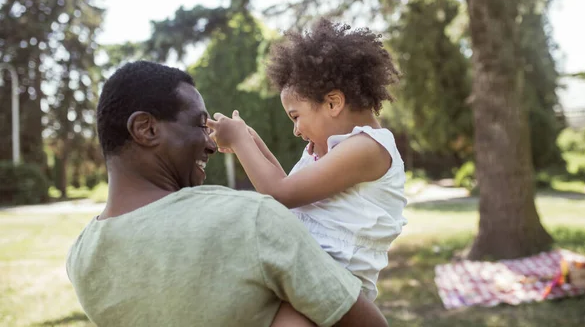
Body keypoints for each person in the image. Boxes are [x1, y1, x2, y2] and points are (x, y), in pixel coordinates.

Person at [66, 61, 388, 327]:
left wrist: (246, 141)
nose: (210, 144)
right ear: (146, 129)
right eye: (198, 125)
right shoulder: (251, 221)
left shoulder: (82, 259)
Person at [208, 19, 407, 324]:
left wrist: (238, 140)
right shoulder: (331, 149)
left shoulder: (366, 148)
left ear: (333, 103)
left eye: (296, 116)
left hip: (338, 279)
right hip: (309, 270)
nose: (296, 130)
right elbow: (287, 187)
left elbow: (279, 194)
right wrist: (248, 139)